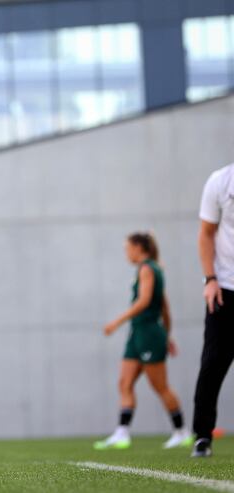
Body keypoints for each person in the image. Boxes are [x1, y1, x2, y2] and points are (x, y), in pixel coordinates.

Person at [94, 232, 190, 450]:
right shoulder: (150, 270)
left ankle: (182, 431)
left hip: (148, 333)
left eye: (128, 248)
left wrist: (117, 321)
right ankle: (122, 433)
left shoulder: (148, 269)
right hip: (137, 334)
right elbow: (165, 307)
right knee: (124, 383)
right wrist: (167, 334)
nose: (126, 253)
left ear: (139, 247)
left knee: (160, 386)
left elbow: (145, 301)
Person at [192, 163, 234, 458]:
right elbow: (206, 232)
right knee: (213, 363)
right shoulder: (221, 182)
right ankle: (202, 436)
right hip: (225, 287)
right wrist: (210, 279)